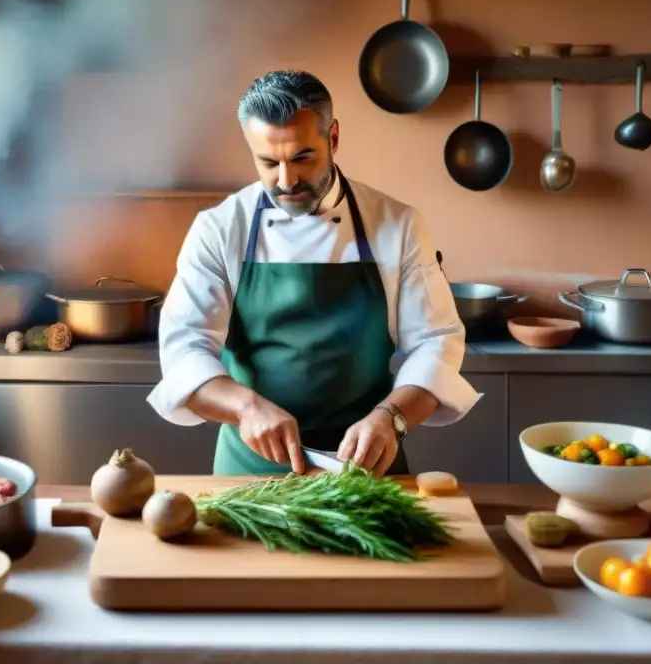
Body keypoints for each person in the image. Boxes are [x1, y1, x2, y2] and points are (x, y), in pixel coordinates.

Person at [147, 70, 481, 476]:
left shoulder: (398, 225)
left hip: (367, 467)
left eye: (302, 158)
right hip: (250, 473)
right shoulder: (219, 228)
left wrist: (392, 417)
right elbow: (184, 351)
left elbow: (435, 344)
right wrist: (247, 407)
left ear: (333, 138)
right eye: (268, 162)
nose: (286, 181)